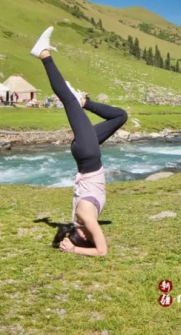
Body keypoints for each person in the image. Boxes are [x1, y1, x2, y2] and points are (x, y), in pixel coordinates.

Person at [31, 26, 127, 256]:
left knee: (68, 101)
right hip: (89, 154)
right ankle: (86, 103)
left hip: (88, 155)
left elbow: (102, 252)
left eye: (87, 236)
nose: (92, 234)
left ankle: (43, 54)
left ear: (82, 234)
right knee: (120, 116)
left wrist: (73, 248)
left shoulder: (84, 216)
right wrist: (72, 243)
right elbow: (96, 245)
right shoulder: (85, 219)